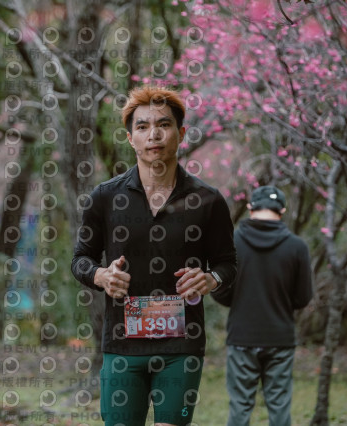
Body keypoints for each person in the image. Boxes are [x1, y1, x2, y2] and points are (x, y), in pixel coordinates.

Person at [71, 86, 237, 426]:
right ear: (130, 138)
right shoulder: (105, 197)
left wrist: (211, 279)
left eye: (163, 124)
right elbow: (80, 259)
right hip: (122, 346)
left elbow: (228, 263)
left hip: (182, 346)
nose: (154, 135)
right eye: (143, 126)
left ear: (181, 133)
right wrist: (101, 276)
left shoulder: (208, 200)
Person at [212, 185, 313, 426]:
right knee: (279, 407)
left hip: (242, 337)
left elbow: (218, 290)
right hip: (280, 338)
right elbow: (302, 298)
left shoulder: (232, 243)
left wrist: (238, 300)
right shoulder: (297, 247)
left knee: (240, 407)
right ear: (282, 210)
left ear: (250, 208)